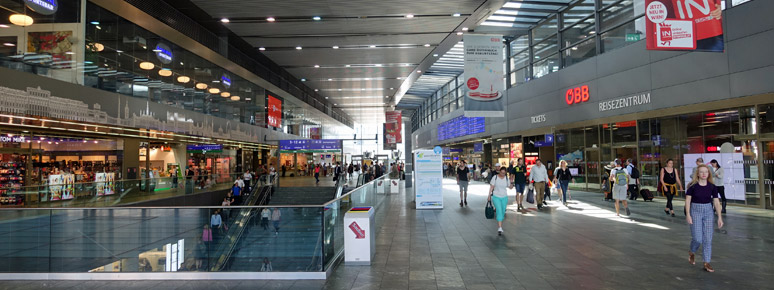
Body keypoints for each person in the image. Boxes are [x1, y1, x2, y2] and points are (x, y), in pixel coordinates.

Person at [685, 164, 724, 273]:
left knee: (707, 238)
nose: (703, 174)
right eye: (701, 172)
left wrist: (719, 217)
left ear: (708, 174)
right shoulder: (692, 186)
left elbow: (716, 202)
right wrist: (688, 214)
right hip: (695, 211)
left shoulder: (712, 187)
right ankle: (692, 252)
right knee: (697, 238)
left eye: (706, 172)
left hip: (708, 211)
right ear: (697, 174)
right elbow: (688, 201)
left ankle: (706, 262)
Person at [488, 167, 514, 235]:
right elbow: (492, 187)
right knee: (499, 210)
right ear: (499, 172)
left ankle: (500, 221)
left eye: (504, 173)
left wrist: (511, 182)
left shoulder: (506, 178)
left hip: (504, 197)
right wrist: (489, 196)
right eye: (501, 173)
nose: (502, 174)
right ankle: (500, 227)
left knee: (503, 211)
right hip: (496, 196)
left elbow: (510, 187)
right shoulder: (495, 177)